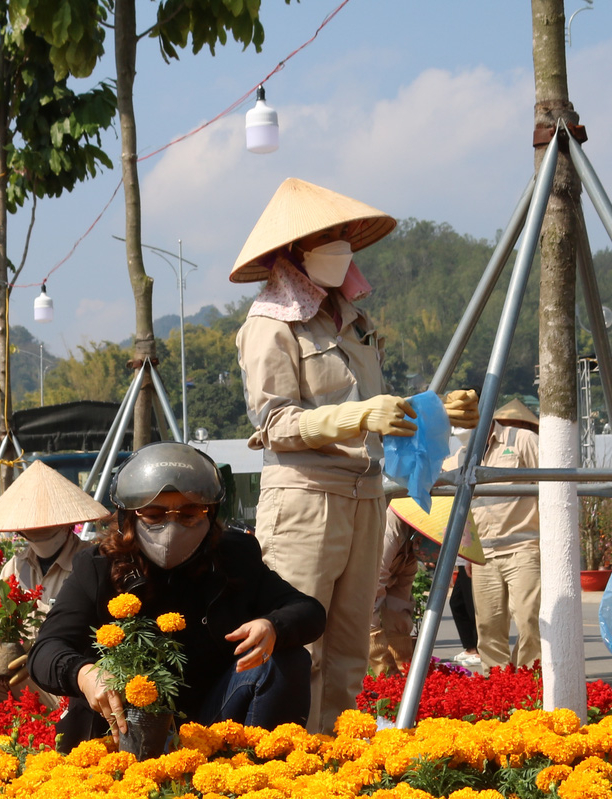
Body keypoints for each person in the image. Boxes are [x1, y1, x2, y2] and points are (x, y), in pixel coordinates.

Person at [232, 177, 477, 731]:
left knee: (349, 651)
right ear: (295, 249)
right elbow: (274, 422)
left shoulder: (353, 321)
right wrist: (359, 417)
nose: (343, 244)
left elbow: (376, 411)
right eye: (330, 235)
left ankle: (338, 765)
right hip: (304, 500)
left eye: (345, 234)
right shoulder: (269, 325)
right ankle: (286, 767)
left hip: (365, 495)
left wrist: (434, 410)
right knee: (298, 647)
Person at [28, 443, 324, 751]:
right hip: (124, 729)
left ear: (210, 513)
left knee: (287, 657)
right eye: (154, 515)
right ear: (129, 518)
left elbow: (309, 610)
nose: (172, 526)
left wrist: (273, 625)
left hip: (214, 719)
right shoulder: (99, 568)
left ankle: (263, 769)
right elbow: (45, 650)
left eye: (189, 513)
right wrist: (84, 674)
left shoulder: (234, 557)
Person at [0, 461, 109, 703]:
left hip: (72, 677)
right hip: (24, 674)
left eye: (48, 523)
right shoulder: (15, 566)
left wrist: (44, 654)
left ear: (67, 523)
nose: (40, 529)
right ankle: (15, 716)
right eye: (33, 523)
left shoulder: (90, 563)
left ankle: (56, 716)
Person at [368, 496, 484, 676]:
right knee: (363, 629)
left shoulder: (410, 550)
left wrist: (403, 665)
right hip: (356, 576)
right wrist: (384, 666)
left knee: (399, 621)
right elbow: (370, 595)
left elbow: (399, 601)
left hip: (393, 560)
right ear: (420, 542)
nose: (430, 566)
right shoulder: (390, 530)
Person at [472, 399, 542, 670]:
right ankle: (498, 690)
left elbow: (551, 487)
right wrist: (469, 554)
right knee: (488, 627)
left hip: (523, 547)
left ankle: (530, 686)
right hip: (484, 554)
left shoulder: (523, 439)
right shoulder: (468, 452)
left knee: (529, 620)